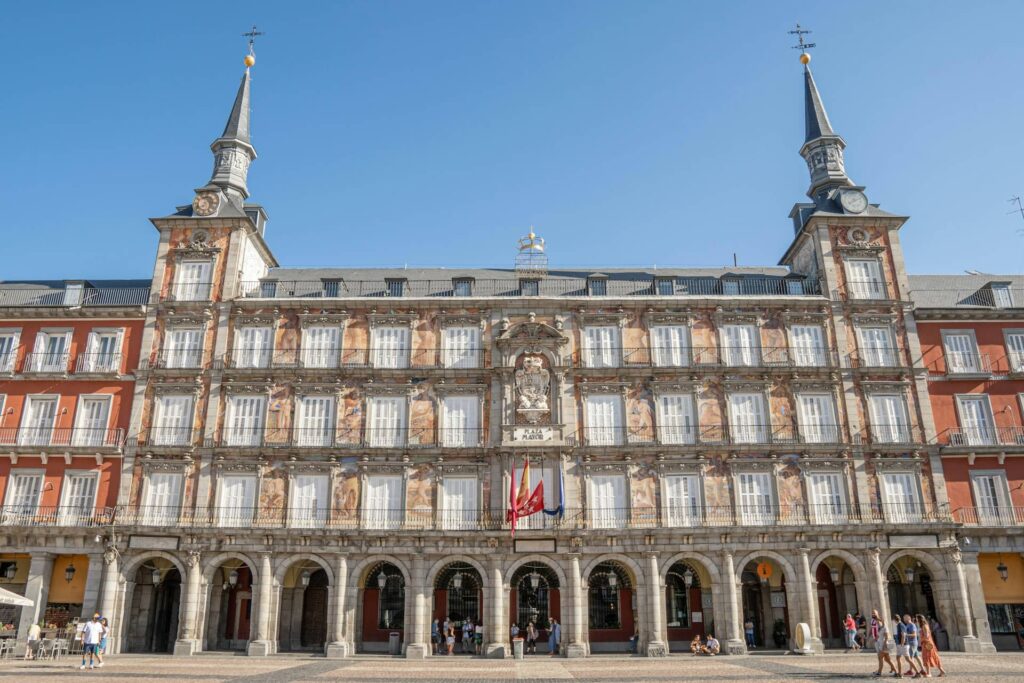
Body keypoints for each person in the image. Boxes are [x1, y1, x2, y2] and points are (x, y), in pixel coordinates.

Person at [870, 610, 897, 677]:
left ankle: (879, 672)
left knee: (880, 658)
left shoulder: (884, 628)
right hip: (881, 644)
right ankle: (896, 672)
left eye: (879, 622)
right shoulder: (881, 628)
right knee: (887, 659)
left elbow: (886, 637)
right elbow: (879, 636)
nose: (878, 623)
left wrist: (884, 646)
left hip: (883, 645)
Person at [902, 614, 923, 678]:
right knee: (916, 656)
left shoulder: (912, 625)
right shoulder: (907, 625)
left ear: (909, 618)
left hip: (912, 643)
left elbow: (914, 634)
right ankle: (922, 669)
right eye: (903, 619)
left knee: (910, 658)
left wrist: (906, 635)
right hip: (911, 643)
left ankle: (911, 671)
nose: (904, 620)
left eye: (905, 618)